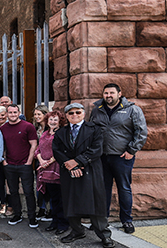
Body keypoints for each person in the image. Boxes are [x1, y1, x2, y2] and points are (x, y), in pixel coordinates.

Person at [53, 103, 114, 248]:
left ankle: (104, 234)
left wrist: (78, 162)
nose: (74, 115)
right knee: (71, 201)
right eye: (71, 113)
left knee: (95, 203)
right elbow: (57, 151)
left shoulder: (95, 129)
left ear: (83, 114)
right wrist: (69, 164)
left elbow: (96, 150)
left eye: (78, 112)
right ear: (66, 116)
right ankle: (77, 231)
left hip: (90, 170)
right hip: (69, 171)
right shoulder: (61, 132)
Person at [90, 83, 147, 234]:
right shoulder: (97, 110)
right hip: (102, 157)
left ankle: (127, 220)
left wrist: (132, 150)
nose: (108, 96)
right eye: (106, 93)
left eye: (111, 93)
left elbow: (141, 132)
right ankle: (102, 220)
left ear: (119, 94)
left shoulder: (132, 109)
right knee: (103, 190)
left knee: (124, 188)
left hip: (122, 157)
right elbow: (91, 131)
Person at [0, 104, 38, 228]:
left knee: (28, 191)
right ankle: (17, 214)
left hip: (24, 165)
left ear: (19, 112)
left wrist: (29, 162)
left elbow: (33, 144)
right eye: (10, 112)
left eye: (15, 112)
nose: (13, 115)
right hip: (9, 165)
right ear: (6, 114)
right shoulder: (3, 128)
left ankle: (32, 217)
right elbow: (2, 146)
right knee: (13, 191)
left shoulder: (28, 126)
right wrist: (4, 161)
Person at [36, 110, 69, 235]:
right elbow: (38, 149)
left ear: (60, 121)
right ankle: (54, 222)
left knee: (60, 199)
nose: (53, 122)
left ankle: (63, 224)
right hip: (45, 170)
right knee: (53, 199)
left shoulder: (62, 133)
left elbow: (63, 151)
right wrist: (41, 160)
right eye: (51, 119)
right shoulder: (45, 133)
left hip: (57, 169)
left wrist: (48, 162)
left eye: (55, 119)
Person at [32, 104, 50, 221]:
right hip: (39, 160)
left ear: (45, 114)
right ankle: (41, 208)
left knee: (51, 186)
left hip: (50, 161)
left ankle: (51, 210)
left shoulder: (51, 128)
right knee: (39, 185)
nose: (37, 116)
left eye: (39, 114)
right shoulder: (35, 128)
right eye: (35, 114)